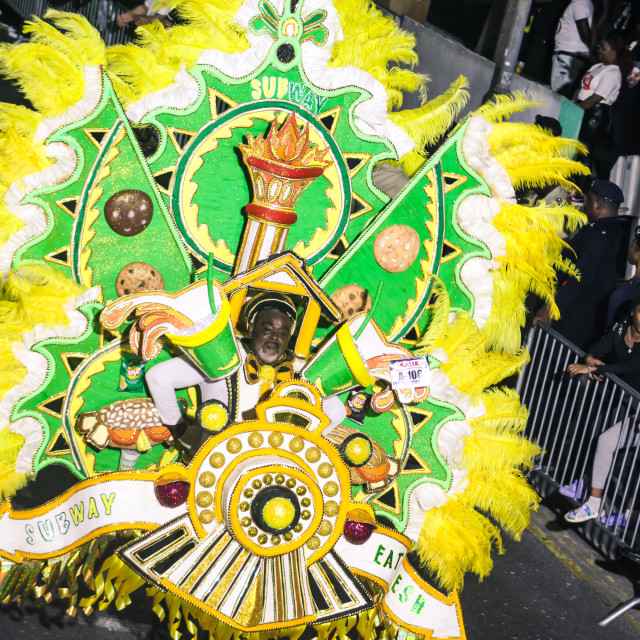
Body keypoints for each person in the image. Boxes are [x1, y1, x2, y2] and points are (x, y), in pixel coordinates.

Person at [145, 292, 346, 459]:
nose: (275, 338)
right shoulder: (224, 356)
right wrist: (182, 432)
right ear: (251, 328)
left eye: (283, 333)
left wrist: (299, 444)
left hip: (273, 473)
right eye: (268, 330)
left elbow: (336, 412)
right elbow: (158, 377)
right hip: (213, 468)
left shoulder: (300, 371)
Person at [564, 294, 640, 522]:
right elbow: (597, 350)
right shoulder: (621, 328)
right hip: (632, 405)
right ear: (632, 311)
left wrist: (595, 369)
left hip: (635, 405)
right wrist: (589, 360)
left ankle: (627, 518)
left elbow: (628, 367)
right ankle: (594, 503)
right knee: (604, 439)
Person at [534, 179, 625, 349]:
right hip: (585, 323)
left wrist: (552, 307)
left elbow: (580, 275)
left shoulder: (599, 236)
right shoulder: (615, 233)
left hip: (572, 323)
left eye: (588, 199)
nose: (584, 204)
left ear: (598, 204)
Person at [573, 33, 633, 170]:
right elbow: (582, 87)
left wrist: (576, 109)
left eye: (603, 49)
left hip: (595, 115)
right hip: (582, 108)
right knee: (574, 150)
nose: (599, 51)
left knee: (584, 154)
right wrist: (573, 101)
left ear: (613, 52)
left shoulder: (613, 73)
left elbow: (596, 98)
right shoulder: (597, 66)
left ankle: (581, 186)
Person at [551, 0, 594, 95]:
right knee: (561, 95)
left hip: (568, 57)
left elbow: (586, 34)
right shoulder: (583, 2)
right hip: (570, 56)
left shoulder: (579, 3)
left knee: (557, 96)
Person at [606, 225, 640, 326]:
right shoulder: (630, 284)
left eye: (631, 245)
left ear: (637, 250)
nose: (629, 249)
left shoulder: (633, 290)